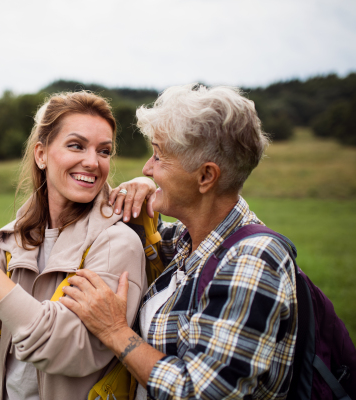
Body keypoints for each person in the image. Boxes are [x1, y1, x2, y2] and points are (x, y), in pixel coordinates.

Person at [60, 84, 298, 399]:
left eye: (159, 156)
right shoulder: (192, 241)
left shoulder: (251, 262)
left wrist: (115, 332)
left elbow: (199, 392)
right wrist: (140, 194)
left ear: (205, 177)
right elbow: (151, 241)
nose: (147, 168)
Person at [0, 91, 149, 400]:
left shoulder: (116, 243)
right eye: (76, 146)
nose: (93, 162)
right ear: (41, 154)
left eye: (104, 151)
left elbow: (68, 348)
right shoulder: (17, 238)